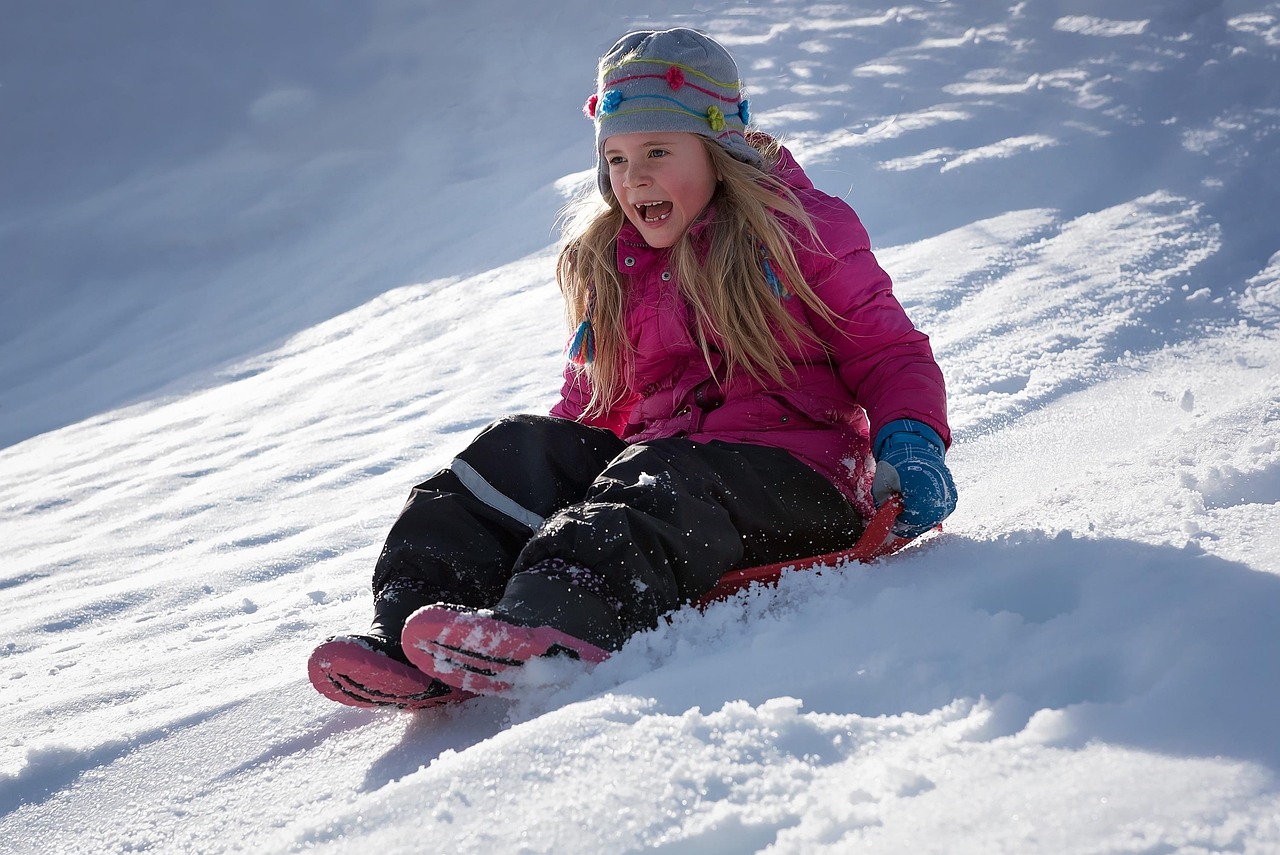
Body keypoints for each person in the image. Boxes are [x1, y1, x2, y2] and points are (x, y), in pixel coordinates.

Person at [308, 27, 956, 710]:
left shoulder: (799, 231)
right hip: (666, 477)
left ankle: (551, 619)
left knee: (655, 476)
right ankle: (412, 625)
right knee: (514, 450)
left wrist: (911, 447)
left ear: (718, 150)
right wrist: (544, 467)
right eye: (616, 158)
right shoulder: (615, 263)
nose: (633, 177)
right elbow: (588, 410)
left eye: (656, 151)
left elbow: (889, 353)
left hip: (798, 483)